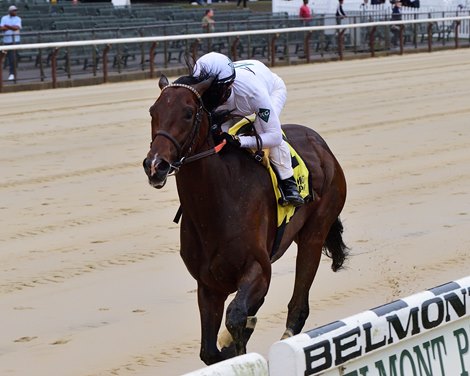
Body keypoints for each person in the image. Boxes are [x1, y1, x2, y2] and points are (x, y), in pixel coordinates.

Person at [192, 52, 304, 207]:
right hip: (237, 102)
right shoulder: (214, 88)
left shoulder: (254, 94)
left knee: (261, 128)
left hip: (271, 91)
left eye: (211, 92)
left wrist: (240, 141)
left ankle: (289, 183)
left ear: (227, 85)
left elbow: (274, 136)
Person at [1, 5, 22, 81]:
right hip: (6, 41)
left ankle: (12, 73)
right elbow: (1, 28)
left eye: (16, 10)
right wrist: (11, 27)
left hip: (15, 41)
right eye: (13, 11)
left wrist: (7, 26)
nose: (15, 12)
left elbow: (16, 28)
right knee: (5, 58)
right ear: (9, 11)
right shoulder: (4, 18)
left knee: (12, 58)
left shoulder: (18, 19)